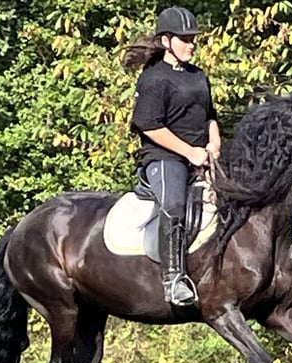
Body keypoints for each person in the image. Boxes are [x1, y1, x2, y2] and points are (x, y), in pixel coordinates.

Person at [123, 6, 220, 306]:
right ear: (166, 41)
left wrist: (214, 144)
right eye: (184, 38)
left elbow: (210, 116)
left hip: (201, 155)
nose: (191, 44)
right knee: (175, 202)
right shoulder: (153, 78)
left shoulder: (198, 76)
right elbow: (148, 125)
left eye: (193, 39)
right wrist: (189, 151)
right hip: (164, 157)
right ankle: (174, 279)